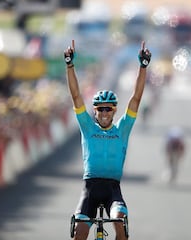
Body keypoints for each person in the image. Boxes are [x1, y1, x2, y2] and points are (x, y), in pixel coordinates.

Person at [64, 40, 151, 240]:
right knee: (79, 232)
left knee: (119, 221)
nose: (104, 112)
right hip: (90, 189)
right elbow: (76, 96)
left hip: (113, 189)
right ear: (94, 111)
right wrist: (70, 65)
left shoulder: (122, 128)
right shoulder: (87, 127)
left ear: (114, 111)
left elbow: (136, 98)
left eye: (108, 108)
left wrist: (143, 67)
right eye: (100, 108)